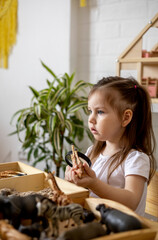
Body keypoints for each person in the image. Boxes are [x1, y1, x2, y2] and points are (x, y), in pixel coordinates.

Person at [65, 76, 156, 216]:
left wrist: (93, 183)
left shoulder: (136, 159)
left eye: (100, 112)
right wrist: (73, 181)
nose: (91, 119)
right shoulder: (92, 152)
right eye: (90, 111)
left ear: (125, 118)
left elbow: (131, 201)